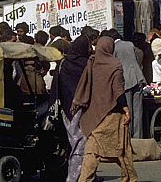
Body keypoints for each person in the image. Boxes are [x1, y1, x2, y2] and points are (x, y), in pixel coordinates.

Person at [72, 36, 137, 182]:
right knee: (122, 150)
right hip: (112, 115)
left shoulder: (92, 62)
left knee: (91, 152)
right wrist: (126, 110)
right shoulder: (115, 65)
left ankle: (84, 180)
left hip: (92, 115)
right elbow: (118, 91)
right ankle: (129, 178)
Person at [51, 35, 91, 182]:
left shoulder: (63, 64)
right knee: (80, 145)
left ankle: (85, 175)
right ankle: (74, 177)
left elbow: (56, 85)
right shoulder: (87, 64)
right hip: (82, 110)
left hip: (66, 110)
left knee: (74, 143)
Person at [107, 30, 147, 139]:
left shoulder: (114, 48)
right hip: (138, 78)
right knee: (138, 111)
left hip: (126, 81)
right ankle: (138, 139)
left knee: (128, 112)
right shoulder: (130, 44)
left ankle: (129, 139)